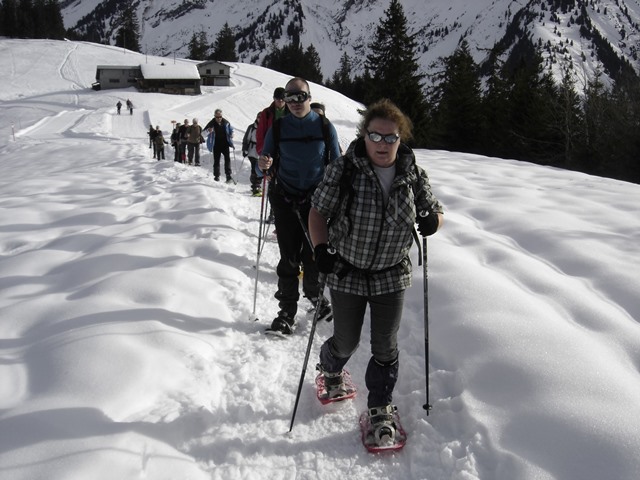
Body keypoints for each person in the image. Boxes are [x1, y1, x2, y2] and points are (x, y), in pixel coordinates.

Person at [308, 98, 444, 444]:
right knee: (346, 340)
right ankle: (330, 368)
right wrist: (321, 249)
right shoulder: (344, 169)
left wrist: (432, 221)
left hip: (391, 274)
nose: (383, 144)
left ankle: (380, 406)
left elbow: (433, 209)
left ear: (401, 139)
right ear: (364, 135)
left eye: (391, 138)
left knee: (385, 345)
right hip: (347, 270)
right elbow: (318, 212)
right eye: (376, 136)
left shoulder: (412, 173)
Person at [258, 77, 342, 335]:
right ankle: (287, 312)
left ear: (309, 96)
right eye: (290, 96)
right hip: (285, 199)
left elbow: (336, 164)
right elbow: (266, 157)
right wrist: (264, 164)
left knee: (314, 254)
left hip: (316, 203)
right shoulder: (280, 128)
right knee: (289, 257)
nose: (295, 102)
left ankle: (316, 297)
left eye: (300, 96)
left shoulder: (325, 127)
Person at [256, 87, 289, 156]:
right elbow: (260, 132)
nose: (280, 101)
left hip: (287, 147)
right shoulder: (267, 112)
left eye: (282, 98)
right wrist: (262, 150)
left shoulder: (291, 111)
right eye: (277, 98)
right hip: (271, 147)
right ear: (274, 98)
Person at [204, 109, 235, 182]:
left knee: (227, 159)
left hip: (225, 144)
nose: (218, 118)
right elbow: (203, 134)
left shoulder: (226, 122)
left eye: (220, 116)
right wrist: (208, 131)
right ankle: (216, 176)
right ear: (214, 116)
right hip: (216, 145)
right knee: (216, 161)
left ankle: (228, 176)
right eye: (217, 117)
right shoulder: (211, 123)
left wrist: (232, 134)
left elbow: (232, 130)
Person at [242, 113, 262, 195]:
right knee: (254, 168)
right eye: (258, 117)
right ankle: (255, 186)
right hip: (252, 150)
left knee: (260, 169)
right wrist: (245, 149)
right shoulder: (252, 127)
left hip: (261, 151)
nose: (259, 119)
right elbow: (246, 138)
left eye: (261, 118)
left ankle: (257, 184)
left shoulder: (266, 126)